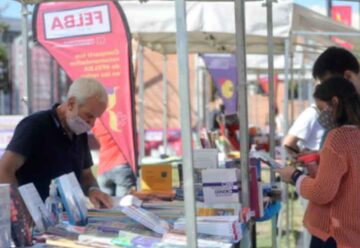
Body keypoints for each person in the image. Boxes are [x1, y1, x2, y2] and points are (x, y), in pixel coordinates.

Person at [0, 77, 113, 209]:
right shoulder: (35, 126)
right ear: (71, 104)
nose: (92, 124)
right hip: (34, 220)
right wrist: (20, 211)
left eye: (96, 118)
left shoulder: (79, 133)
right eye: (89, 116)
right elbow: (4, 170)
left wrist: (93, 190)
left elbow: (86, 175)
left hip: (65, 221)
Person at [276, 77, 360, 247]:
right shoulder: (354, 135)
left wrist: (294, 176)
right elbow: (346, 180)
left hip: (334, 235)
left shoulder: (338, 137)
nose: (321, 116)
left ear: (335, 102)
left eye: (322, 108)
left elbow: (322, 192)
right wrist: (318, 163)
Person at [93, 119, 136, 197]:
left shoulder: (97, 121)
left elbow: (98, 140)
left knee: (105, 206)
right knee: (123, 205)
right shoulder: (123, 119)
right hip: (121, 164)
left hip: (103, 167)